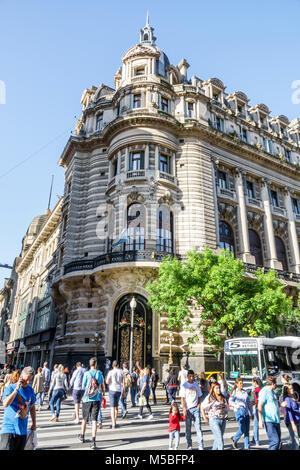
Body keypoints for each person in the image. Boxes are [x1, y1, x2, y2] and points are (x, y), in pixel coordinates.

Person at [0, 366, 36, 450]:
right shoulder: (10, 388)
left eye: (29, 380)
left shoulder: (30, 390)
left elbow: (32, 407)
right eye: (26, 379)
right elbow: (5, 403)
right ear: (21, 376)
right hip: (9, 429)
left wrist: (34, 423)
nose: (27, 382)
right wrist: (16, 390)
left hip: (22, 430)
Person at [77, 357, 104, 449]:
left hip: (86, 399)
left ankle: (82, 436)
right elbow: (100, 384)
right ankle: (93, 441)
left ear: (90, 364)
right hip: (96, 399)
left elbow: (83, 386)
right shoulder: (99, 373)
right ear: (95, 364)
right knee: (94, 420)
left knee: (84, 419)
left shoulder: (86, 373)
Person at [180, 369, 204, 450]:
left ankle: (200, 445)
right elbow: (182, 399)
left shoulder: (196, 385)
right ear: (187, 377)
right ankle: (189, 445)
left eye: (192, 376)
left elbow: (199, 395)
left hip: (196, 409)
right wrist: (184, 409)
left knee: (198, 428)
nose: (191, 378)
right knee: (188, 429)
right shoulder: (184, 385)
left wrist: (199, 404)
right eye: (190, 376)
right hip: (188, 409)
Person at [201, 382, 229, 450]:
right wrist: (204, 417)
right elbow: (202, 406)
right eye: (216, 388)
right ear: (213, 389)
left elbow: (226, 407)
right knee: (220, 440)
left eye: (219, 388)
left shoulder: (223, 397)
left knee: (217, 439)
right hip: (214, 420)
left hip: (223, 420)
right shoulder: (210, 397)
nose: (218, 389)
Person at [229, 377, 254, 450]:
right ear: (236, 384)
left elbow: (249, 403)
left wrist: (252, 413)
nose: (241, 385)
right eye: (240, 383)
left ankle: (247, 447)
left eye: (242, 383)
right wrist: (237, 406)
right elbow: (230, 401)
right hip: (239, 412)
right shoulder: (234, 392)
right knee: (243, 428)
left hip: (246, 413)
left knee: (247, 431)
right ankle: (235, 438)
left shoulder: (245, 392)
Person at [258, 376, 281, 450]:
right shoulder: (264, 391)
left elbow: (275, 403)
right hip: (269, 421)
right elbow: (259, 405)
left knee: (278, 442)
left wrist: (281, 405)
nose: (276, 385)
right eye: (276, 383)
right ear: (273, 384)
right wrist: (260, 420)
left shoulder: (273, 392)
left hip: (276, 420)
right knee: (275, 441)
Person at [106, 360, 125, 429]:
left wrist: (109, 381)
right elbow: (123, 382)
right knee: (116, 407)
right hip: (119, 390)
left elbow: (107, 381)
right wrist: (124, 391)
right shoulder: (121, 371)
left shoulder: (110, 372)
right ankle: (115, 421)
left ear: (112, 365)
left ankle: (113, 423)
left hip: (112, 389)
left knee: (112, 408)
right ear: (118, 365)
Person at [281, 383, 300, 450]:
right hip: (292, 422)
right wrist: (293, 424)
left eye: (292, 388)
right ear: (287, 390)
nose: (292, 389)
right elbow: (289, 412)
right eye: (290, 388)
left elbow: (295, 408)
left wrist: (298, 404)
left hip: (298, 420)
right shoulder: (287, 398)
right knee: (296, 442)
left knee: (297, 440)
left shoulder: (293, 396)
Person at [250, 376, 263, 447]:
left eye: (252, 382)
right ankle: (254, 440)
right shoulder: (262, 389)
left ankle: (256, 442)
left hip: (256, 408)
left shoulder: (255, 390)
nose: (252, 383)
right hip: (262, 408)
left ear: (255, 382)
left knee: (255, 425)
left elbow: (253, 400)